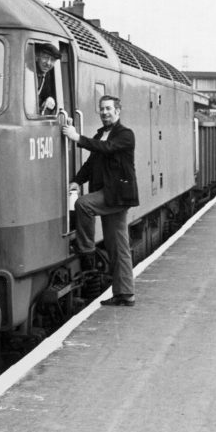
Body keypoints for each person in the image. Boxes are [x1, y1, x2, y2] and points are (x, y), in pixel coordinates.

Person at [61, 95, 139, 306]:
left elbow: (105, 148)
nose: (104, 112)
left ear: (118, 111)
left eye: (108, 109)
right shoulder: (100, 134)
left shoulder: (125, 135)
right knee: (117, 245)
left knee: (83, 204)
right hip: (109, 195)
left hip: (117, 195)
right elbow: (91, 163)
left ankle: (86, 251)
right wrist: (77, 181)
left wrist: (77, 138)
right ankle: (125, 294)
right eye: (101, 109)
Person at [34, 43, 60, 114]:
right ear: (36, 57)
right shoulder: (29, 74)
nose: (48, 63)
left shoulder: (47, 75)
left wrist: (50, 98)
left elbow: (48, 93)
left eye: (52, 60)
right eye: (45, 57)